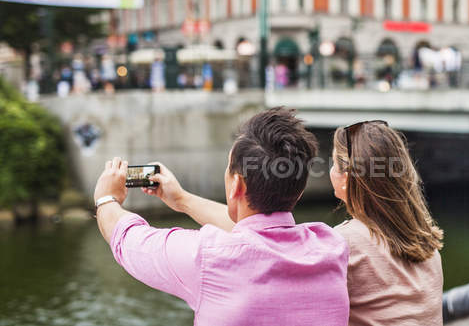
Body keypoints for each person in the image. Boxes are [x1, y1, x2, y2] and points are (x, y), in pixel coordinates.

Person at [93, 108, 349, 326]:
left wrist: (106, 198)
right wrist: (181, 200)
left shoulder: (208, 256)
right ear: (300, 189)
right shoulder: (331, 246)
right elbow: (257, 234)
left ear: (236, 184)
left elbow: (125, 236)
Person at [329, 121, 444, 326]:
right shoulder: (430, 247)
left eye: (334, 164)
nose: (330, 171)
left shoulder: (344, 243)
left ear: (347, 178)